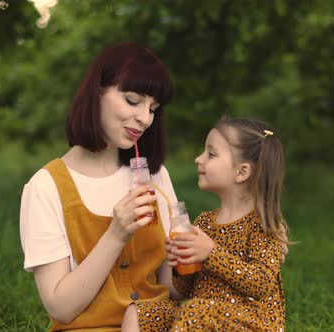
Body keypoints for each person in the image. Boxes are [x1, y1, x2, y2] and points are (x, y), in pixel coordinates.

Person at [19, 41, 181, 331]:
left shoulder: (155, 176)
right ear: (97, 93)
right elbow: (61, 308)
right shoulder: (46, 187)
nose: (144, 119)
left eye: (153, 108)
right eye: (133, 101)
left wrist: (202, 257)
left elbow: (173, 288)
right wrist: (116, 235)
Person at [122, 118, 289, 331]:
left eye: (211, 154)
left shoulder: (264, 225)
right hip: (201, 316)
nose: (198, 159)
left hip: (252, 324)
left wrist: (211, 254)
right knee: (139, 312)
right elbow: (187, 291)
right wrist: (180, 265)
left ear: (242, 172)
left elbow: (261, 283)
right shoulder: (204, 222)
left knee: (194, 311)